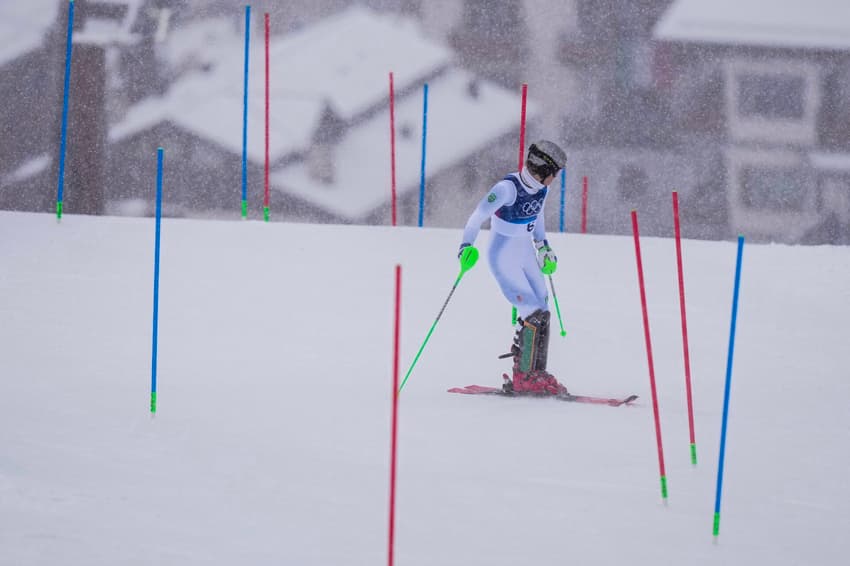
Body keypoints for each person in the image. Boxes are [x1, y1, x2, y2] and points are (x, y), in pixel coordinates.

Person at [458, 140, 568, 396]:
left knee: (543, 308)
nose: (555, 179)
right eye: (555, 173)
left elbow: (538, 217)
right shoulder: (506, 189)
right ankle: (524, 376)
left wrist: (542, 246)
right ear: (545, 170)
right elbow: (476, 217)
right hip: (503, 256)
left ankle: (537, 372)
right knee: (531, 312)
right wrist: (465, 247)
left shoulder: (542, 189)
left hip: (525, 251)